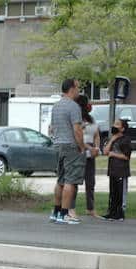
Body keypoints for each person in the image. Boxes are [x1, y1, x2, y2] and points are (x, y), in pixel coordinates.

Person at [48, 79, 85, 224]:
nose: (79, 91)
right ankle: (65, 214)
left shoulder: (56, 106)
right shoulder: (74, 107)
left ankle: (56, 212)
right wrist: (81, 146)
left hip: (58, 145)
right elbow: (77, 129)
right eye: (78, 88)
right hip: (71, 146)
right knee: (70, 181)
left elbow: (52, 128)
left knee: (60, 180)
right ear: (71, 88)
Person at [75, 95, 101, 218]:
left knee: (90, 182)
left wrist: (96, 148)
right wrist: (88, 147)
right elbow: (76, 137)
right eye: (88, 103)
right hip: (79, 150)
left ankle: (90, 208)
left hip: (91, 153)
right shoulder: (76, 119)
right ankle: (70, 208)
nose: (90, 105)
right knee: (74, 181)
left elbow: (96, 134)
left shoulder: (92, 119)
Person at [102, 119, 132, 221]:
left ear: (122, 128)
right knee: (113, 192)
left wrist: (113, 154)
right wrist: (112, 139)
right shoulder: (112, 139)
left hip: (121, 171)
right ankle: (112, 211)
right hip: (112, 170)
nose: (114, 126)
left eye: (117, 124)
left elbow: (126, 156)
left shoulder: (126, 140)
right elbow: (105, 151)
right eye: (114, 124)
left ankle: (120, 212)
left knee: (120, 192)